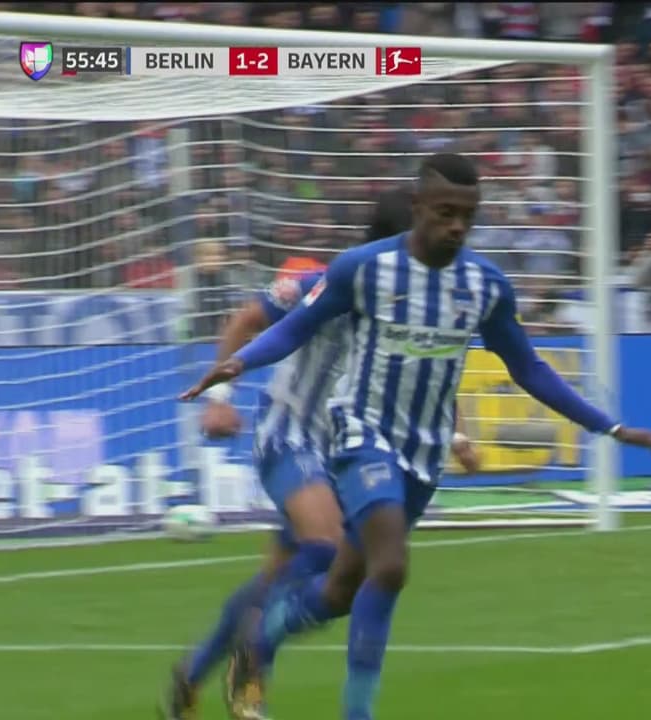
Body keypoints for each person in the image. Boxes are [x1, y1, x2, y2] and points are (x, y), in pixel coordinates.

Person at [179, 154, 651, 720]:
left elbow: (468, 366)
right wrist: (231, 376)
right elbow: (269, 324)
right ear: (414, 218)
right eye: (442, 215)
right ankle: (313, 694)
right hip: (315, 432)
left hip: (407, 449)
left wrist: (602, 427)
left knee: (330, 583)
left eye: (467, 217)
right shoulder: (344, 275)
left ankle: (219, 657)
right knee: (374, 560)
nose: (456, 228)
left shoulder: (480, 285)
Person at [158, 189, 480, 720]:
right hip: (289, 432)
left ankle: (193, 672)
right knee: (329, 548)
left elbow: (429, 374)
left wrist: (458, 437)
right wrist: (220, 398)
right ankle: (254, 666)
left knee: (284, 576)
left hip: (343, 451)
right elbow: (245, 320)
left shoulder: (414, 303)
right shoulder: (325, 282)